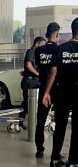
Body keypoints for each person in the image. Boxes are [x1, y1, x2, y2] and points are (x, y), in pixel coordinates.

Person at [43, 17, 78, 167]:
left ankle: (55, 158)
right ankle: (73, 161)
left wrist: (47, 92)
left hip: (61, 91)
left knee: (60, 125)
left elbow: (53, 71)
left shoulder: (61, 48)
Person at [34, 23, 60, 158]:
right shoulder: (58, 49)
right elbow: (55, 70)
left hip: (43, 86)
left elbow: (38, 66)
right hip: (56, 88)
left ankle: (39, 148)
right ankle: (56, 152)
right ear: (56, 35)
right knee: (59, 119)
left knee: (41, 118)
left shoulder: (39, 51)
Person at [18, 36, 46, 129]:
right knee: (27, 103)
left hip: (31, 80)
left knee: (27, 103)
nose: (43, 48)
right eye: (42, 45)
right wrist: (38, 74)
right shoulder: (31, 51)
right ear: (37, 44)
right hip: (30, 82)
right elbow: (28, 64)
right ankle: (21, 122)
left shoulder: (36, 53)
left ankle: (21, 121)